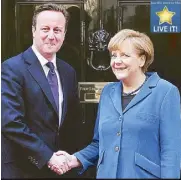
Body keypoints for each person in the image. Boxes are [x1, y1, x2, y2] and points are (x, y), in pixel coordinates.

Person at [53, 29, 181, 178]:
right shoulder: (108, 92)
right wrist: (73, 159)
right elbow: (100, 144)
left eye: (125, 55)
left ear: (142, 60)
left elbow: (171, 152)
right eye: (114, 56)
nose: (117, 61)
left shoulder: (165, 92)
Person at [1, 3, 82, 178]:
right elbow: (11, 122)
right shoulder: (12, 68)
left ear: (64, 34)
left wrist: (69, 159)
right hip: (23, 169)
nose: (51, 36)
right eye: (45, 29)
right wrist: (48, 157)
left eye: (57, 30)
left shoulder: (68, 71)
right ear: (33, 31)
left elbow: (72, 122)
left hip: (61, 169)